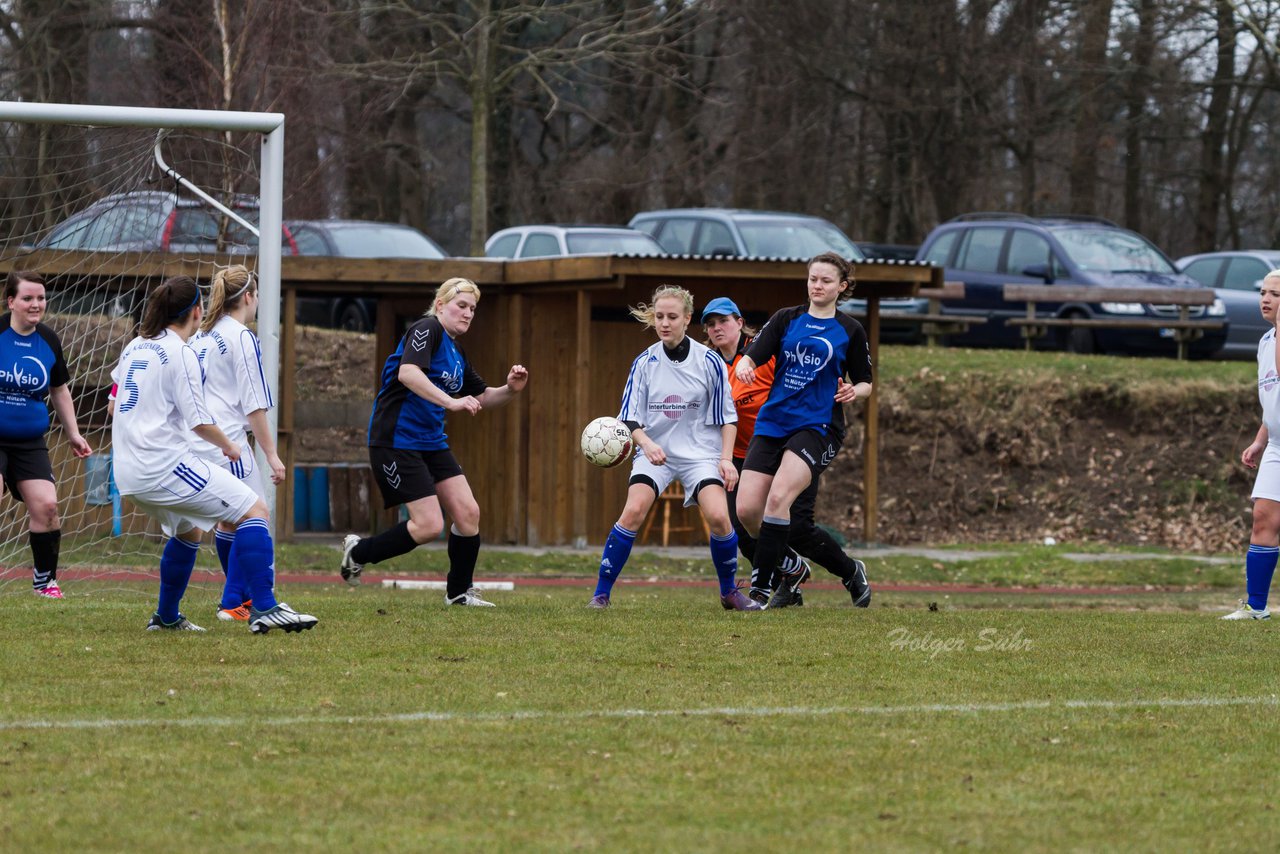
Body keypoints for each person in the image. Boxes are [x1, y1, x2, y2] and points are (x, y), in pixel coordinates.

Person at [111, 275, 316, 633]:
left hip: (126, 470)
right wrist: (228, 444)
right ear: (196, 310)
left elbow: (114, 406)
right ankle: (264, 607)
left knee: (188, 531)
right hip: (162, 465)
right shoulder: (181, 352)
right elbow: (199, 421)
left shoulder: (135, 347)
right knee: (255, 509)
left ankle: (167, 617)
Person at [339, 277, 529, 606]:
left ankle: (458, 593)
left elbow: (483, 397)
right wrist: (452, 402)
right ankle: (358, 552)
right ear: (440, 305)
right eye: (461, 306)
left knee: (468, 514)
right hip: (396, 440)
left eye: (473, 308)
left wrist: (511, 389)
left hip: (430, 441)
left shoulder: (456, 352)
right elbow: (408, 373)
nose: (468, 313)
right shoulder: (427, 328)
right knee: (428, 525)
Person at [587, 284, 760, 610]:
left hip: (701, 455)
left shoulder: (709, 361)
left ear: (687, 318)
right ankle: (601, 594)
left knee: (721, 518)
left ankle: (729, 593)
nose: (664, 323)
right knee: (633, 511)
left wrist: (725, 459)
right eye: (659, 317)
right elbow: (629, 420)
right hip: (657, 455)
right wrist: (648, 445)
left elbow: (728, 418)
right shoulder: (644, 363)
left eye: (672, 317)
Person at [702, 295, 871, 608]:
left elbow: (800, 381)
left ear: (739, 322)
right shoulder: (710, 368)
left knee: (796, 530)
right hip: (743, 456)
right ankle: (789, 575)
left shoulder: (764, 353)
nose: (717, 328)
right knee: (743, 529)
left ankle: (849, 570)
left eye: (724, 320)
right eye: (710, 324)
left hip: (793, 444)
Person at [190, 265, 286, 622]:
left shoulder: (201, 335)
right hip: (228, 441)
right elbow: (254, 403)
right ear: (248, 297)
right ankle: (236, 601)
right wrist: (272, 454)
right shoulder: (241, 336)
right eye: (257, 295)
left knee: (229, 522)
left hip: (198, 441)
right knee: (256, 514)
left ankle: (238, 600)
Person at [0, 271, 92, 598]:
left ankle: (45, 582)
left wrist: (74, 434)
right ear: (11, 301)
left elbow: (59, 389)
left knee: (48, 507)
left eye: (40, 298)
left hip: (29, 442)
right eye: (27, 298)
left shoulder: (49, 340)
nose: (36, 304)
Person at [1226, 268, 1280, 620]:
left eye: (1275, 294)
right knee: (1263, 517)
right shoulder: (1264, 341)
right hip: (1277, 443)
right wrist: (1261, 441)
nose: (1265, 299)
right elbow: (1273, 398)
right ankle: (1256, 608)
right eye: (1263, 292)